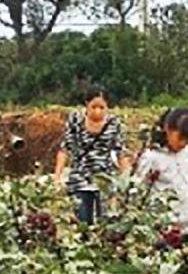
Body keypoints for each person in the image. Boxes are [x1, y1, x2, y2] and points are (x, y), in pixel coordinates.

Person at [52, 83, 130, 224]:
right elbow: (65, 149)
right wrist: (57, 176)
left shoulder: (114, 124)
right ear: (86, 104)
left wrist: (127, 180)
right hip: (80, 180)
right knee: (82, 223)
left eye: (102, 108)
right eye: (94, 107)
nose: (98, 112)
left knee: (106, 224)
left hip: (105, 180)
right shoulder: (75, 120)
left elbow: (121, 153)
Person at [135, 107, 188, 232]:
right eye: (180, 138)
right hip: (163, 225)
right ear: (168, 129)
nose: (183, 144)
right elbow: (138, 189)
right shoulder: (152, 156)